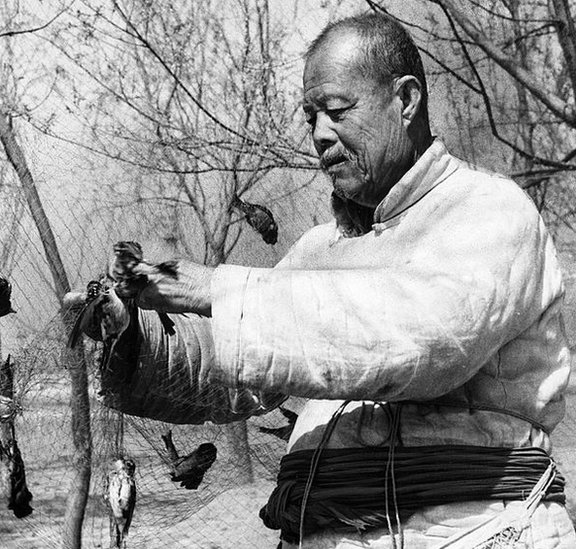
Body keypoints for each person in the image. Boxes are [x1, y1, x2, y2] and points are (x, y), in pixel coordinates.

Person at [76, 12, 576, 548]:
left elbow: (419, 339)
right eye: (310, 115)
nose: (319, 134)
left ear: (406, 100)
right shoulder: (319, 249)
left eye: (336, 110)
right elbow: (242, 367)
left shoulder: (489, 212)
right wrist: (131, 334)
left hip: (473, 533)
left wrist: (212, 288)